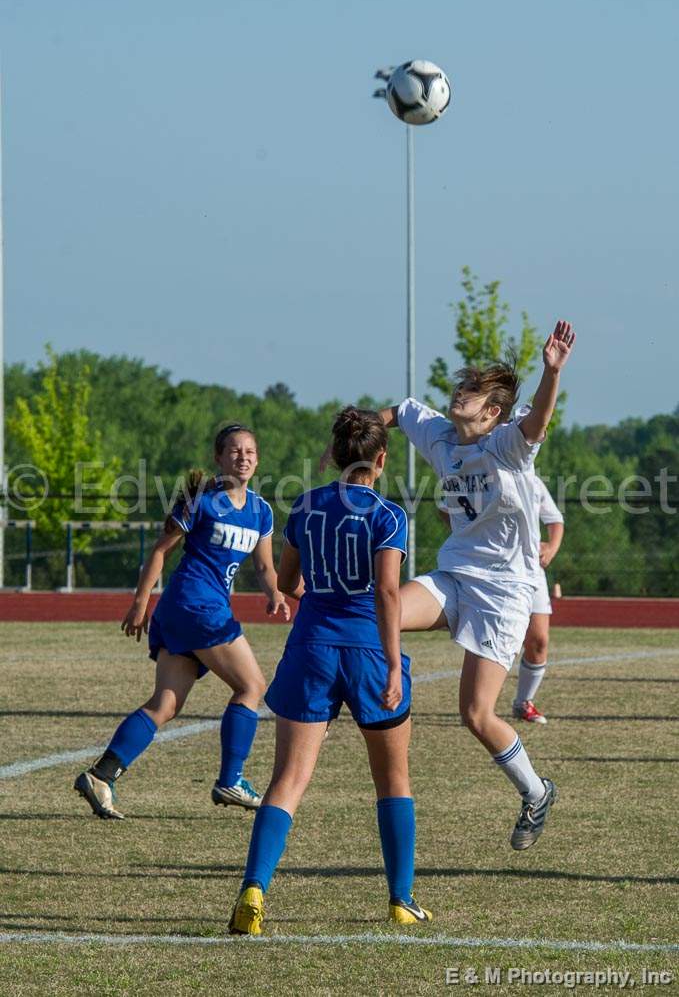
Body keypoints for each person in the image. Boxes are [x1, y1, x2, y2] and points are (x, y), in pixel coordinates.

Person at [341, 320, 575, 851]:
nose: (458, 395)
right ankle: (344, 700)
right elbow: (399, 412)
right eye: (460, 388)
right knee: (381, 609)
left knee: (474, 714)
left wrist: (551, 371)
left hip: (506, 592)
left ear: (492, 412)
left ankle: (537, 792)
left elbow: (538, 418)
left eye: (470, 392)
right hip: (455, 574)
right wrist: (363, 431)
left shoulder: (508, 446)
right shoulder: (442, 436)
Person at [228, 407, 432, 936]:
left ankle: (254, 888)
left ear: (337, 455)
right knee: (393, 781)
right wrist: (392, 665)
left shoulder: (306, 505)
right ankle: (400, 898)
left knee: (287, 781)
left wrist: (318, 596)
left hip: (311, 647)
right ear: (381, 460)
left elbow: (288, 580)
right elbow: (388, 592)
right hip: (366, 650)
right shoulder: (387, 515)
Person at [74, 424, 289, 820]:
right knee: (252, 686)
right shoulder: (202, 501)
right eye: (235, 451)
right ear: (218, 457)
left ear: (258, 460)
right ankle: (231, 779)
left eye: (251, 452)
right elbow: (160, 551)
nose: (243, 457)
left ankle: (101, 775)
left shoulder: (261, 510)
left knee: (166, 704)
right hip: (194, 606)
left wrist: (274, 592)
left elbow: (264, 567)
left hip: (192, 612)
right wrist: (140, 602)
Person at [512, 480, 564, 724]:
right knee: (487, 640)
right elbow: (445, 509)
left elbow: (555, 519)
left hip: (531, 570)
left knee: (539, 640)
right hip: (491, 569)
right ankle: (477, 706)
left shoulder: (532, 481)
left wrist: (551, 548)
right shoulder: (481, 470)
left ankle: (524, 702)